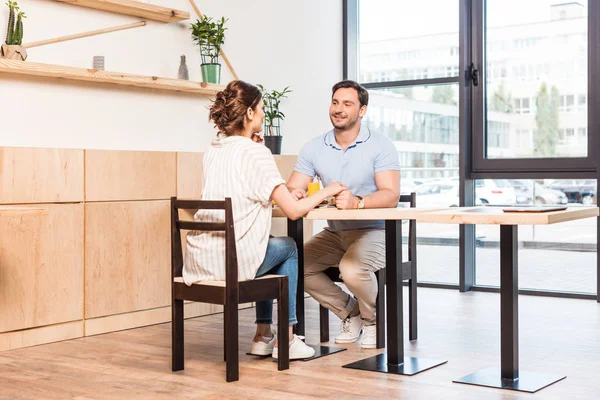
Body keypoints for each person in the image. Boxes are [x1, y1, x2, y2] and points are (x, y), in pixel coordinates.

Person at [183, 80, 345, 359]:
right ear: (248, 113)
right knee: (289, 248)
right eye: (260, 109)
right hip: (232, 262)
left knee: (269, 244)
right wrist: (329, 190)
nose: (262, 115)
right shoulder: (257, 153)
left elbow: (243, 185)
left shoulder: (214, 151)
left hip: (202, 259)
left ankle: (263, 335)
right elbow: (294, 211)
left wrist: (253, 146)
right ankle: (288, 339)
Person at [286, 80, 400, 348]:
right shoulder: (314, 147)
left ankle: (373, 322)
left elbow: (391, 195)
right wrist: (297, 193)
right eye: (335, 102)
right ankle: (351, 313)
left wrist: (358, 203)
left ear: (362, 110)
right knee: (295, 266)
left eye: (347, 104)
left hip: (376, 230)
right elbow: (294, 186)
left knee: (351, 268)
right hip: (335, 232)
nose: (339, 109)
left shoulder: (381, 145)